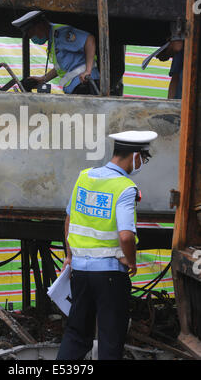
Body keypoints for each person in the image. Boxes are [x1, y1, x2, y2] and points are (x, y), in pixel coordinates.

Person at [56, 130, 158, 360]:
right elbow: (125, 236)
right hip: (110, 275)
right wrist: (131, 261)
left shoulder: (85, 176)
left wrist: (70, 256)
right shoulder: (125, 188)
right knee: (110, 339)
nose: (143, 163)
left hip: (80, 272)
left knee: (76, 334)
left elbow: (69, 220)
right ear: (134, 156)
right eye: (144, 157)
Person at [11, 10, 100, 95]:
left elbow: (89, 39)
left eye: (32, 33)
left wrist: (88, 71)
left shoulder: (61, 33)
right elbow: (61, 67)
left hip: (86, 84)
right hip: (76, 86)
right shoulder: (52, 40)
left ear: (40, 26)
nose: (32, 38)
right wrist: (42, 79)